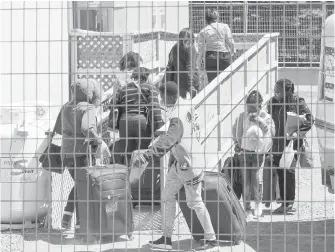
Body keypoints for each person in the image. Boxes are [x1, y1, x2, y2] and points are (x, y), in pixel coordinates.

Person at [133, 81, 217, 251]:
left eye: (162, 96)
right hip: (181, 162)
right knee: (166, 196)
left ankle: (212, 241)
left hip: (190, 163)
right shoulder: (187, 105)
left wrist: (148, 155)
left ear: (170, 96)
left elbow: (170, 139)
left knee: (195, 202)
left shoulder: (177, 115)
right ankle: (166, 238)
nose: (160, 99)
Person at [61, 78, 111, 244]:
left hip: (67, 154)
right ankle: (84, 234)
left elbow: (57, 128)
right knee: (85, 192)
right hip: (82, 153)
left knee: (80, 187)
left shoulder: (66, 106)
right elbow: (87, 129)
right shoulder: (88, 108)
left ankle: (71, 222)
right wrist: (99, 141)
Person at [267, 79, 314, 214]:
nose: (275, 94)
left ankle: (288, 203)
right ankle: (284, 201)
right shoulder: (272, 103)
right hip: (276, 144)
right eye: (274, 91)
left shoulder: (298, 102)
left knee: (288, 171)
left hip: (292, 144)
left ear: (287, 91)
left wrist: (297, 134)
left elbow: (310, 120)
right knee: (281, 171)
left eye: (278, 92)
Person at [232, 90, 275, 220]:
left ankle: (258, 204)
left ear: (260, 105)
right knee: (245, 180)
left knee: (256, 179)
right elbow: (236, 130)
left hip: (258, 153)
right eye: (248, 107)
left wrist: (259, 121)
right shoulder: (241, 116)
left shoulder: (266, 117)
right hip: (244, 152)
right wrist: (236, 142)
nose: (250, 110)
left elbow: (270, 133)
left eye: (253, 107)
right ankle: (246, 209)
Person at [112, 67, 164, 166]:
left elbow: (115, 105)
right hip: (141, 121)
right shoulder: (149, 88)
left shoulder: (124, 88)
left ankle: (128, 177)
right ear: (146, 77)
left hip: (125, 122)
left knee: (127, 154)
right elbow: (155, 109)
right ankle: (141, 178)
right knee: (142, 153)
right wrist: (159, 128)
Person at [197, 8, 235, 84]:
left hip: (210, 58)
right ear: (217, 17)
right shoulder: (225, 27)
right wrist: (232, 52)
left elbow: (200, 50)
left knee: (213, 84)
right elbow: (231, 42)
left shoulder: (203, 31)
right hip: (224, 56)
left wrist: (198, 64)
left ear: (206, 18)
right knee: (227, 82)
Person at [165, 28, 199, 99]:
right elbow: (190, 67)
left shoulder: (174, 47)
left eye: (187, 40)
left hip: (178, 81)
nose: (185, 42)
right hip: (190, 82)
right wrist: (191, 85)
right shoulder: (190, 48)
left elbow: (171, 64)